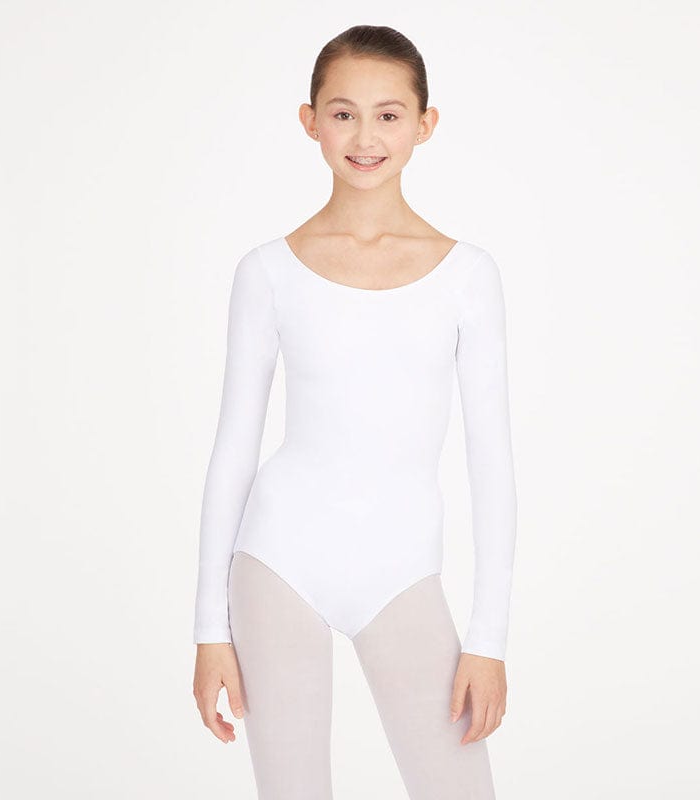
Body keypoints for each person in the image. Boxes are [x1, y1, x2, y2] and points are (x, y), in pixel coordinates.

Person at [192, 24, 517, 800]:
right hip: (278, 563)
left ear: (424, 124)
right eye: (343, 114)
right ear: (311, 121)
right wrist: (209, 630)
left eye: (388, 115)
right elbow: (234, 450)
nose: (365, 137)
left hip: (401, 571)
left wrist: (488, 639)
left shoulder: (467, 277)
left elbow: (492, 463)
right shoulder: (268, 272)